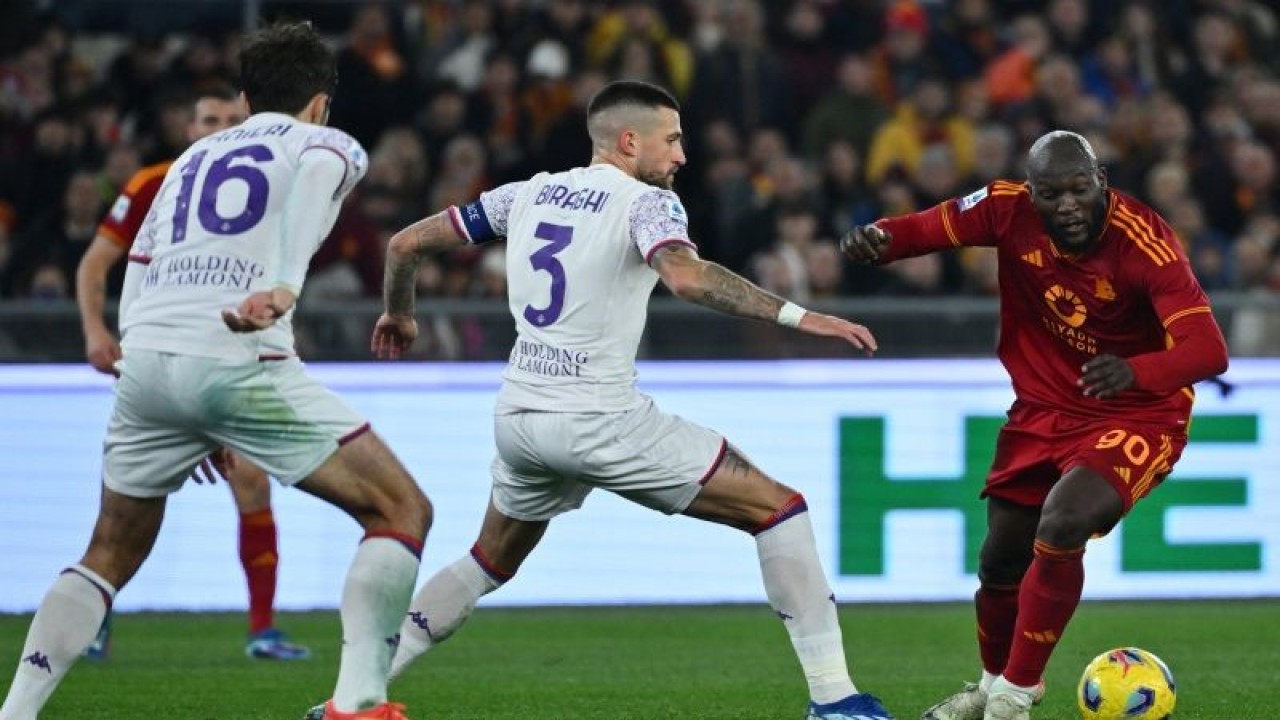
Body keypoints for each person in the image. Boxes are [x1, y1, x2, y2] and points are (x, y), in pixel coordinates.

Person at [366, 79, 893, 720]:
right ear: (628, 141)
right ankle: (836, 700)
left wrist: (401, 314)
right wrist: (797, 315)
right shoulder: (646, 204)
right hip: (599, 417)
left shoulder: (523, 194)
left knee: (487, 560)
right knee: (780, 511)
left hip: (521, 418)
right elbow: (685, 275)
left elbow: (404, 244)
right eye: (672, 140)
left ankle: (354, 693)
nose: (681, 156)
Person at [0, 22, 430, 720]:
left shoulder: (187, 162)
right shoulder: (326, 141)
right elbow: (319, 172)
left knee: (107, 551)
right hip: (238, 356)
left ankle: (15, 712)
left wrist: (167, 390)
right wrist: (286, 286)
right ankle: (356, 705)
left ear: (245, 94)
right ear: (318, 102)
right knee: (401, 510)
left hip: (149, 368)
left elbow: (136, 271)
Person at [838, 130, 1228, 720]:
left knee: (1065, 519)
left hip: (1138, 412)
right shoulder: (1005, 206)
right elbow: (932, 225)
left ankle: (1015, 697)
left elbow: (1208, 350)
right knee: (999, 560)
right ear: (1032, 192)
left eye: (1079, 189)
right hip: (1042, 410)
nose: (1066, 204)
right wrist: (881, 240)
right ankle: (992, 684)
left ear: (1101, 182)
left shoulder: (1146, 244)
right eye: (1051, 193)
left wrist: (1136, 372)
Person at [74, 82, 309, 662]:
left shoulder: (272, 180)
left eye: (233, 118)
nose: (221, 128)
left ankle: (262, 630)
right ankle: (92, 618)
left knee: (251, 479)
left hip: (233, 361)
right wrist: (97, 333)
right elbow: (96, 263)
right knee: (126, 508)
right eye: (209, 118)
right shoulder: (156, 182)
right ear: (189, 127)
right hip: (163, 355)